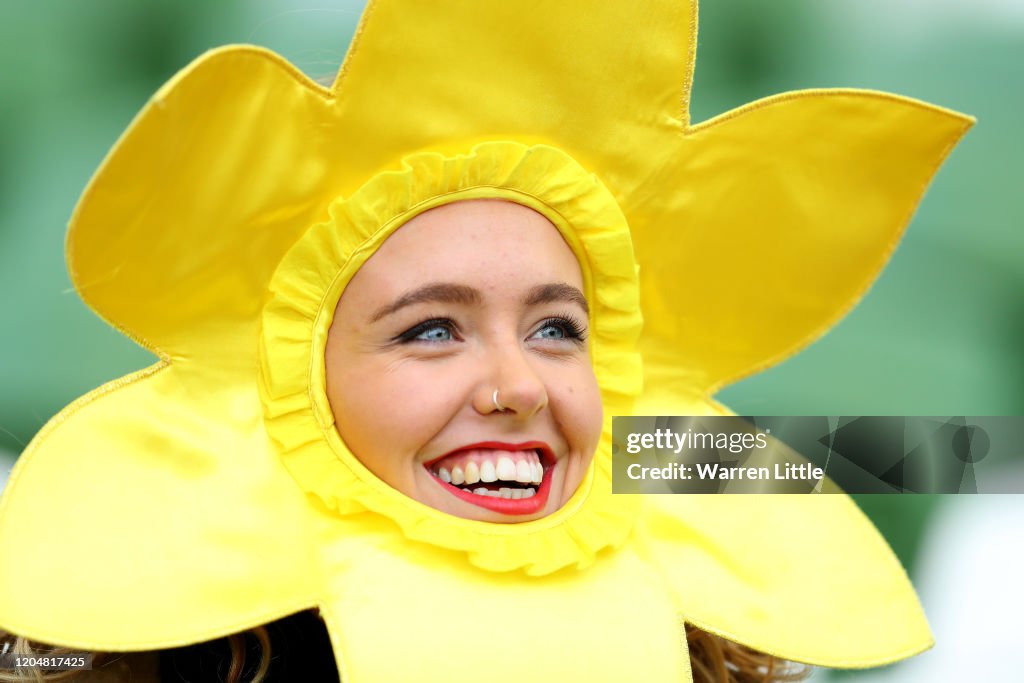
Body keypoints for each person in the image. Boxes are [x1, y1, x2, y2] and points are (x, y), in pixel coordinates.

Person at [0, 1, 973, 682]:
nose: (519, 383)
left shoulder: (647, 450)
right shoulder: (151, 558)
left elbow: (890, 452)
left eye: (558, 327)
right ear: (286, 386)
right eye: (431, 329)